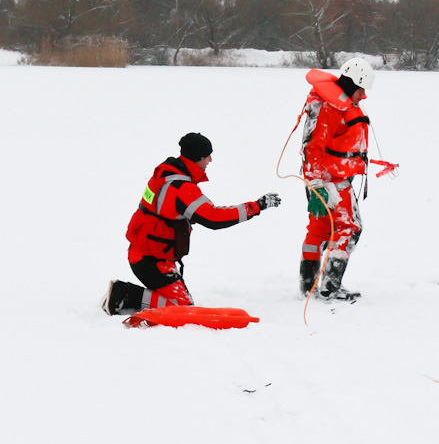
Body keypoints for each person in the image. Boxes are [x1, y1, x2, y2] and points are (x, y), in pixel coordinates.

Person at [101, 133, 282, 316]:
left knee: (182, 305)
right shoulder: (181, 188)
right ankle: (121, 295)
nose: (210, 160)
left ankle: (126, 296)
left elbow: (164, 210)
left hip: (145, 251)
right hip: (151, 259)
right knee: (182, 308)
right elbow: (214, 218)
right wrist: (256, 206)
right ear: (198, 157)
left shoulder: (165, 174)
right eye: (208, 156)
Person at [298, 57, 375, 301]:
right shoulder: (330, 107)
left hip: (325, 178)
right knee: (350, 227)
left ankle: (308, 286)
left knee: (320, 229)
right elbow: (313, 147)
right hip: (329, 181)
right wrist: (317, 185)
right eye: (361, 89)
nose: (363, 95)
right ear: (353, 84)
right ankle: (331, 286)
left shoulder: (335, 104)